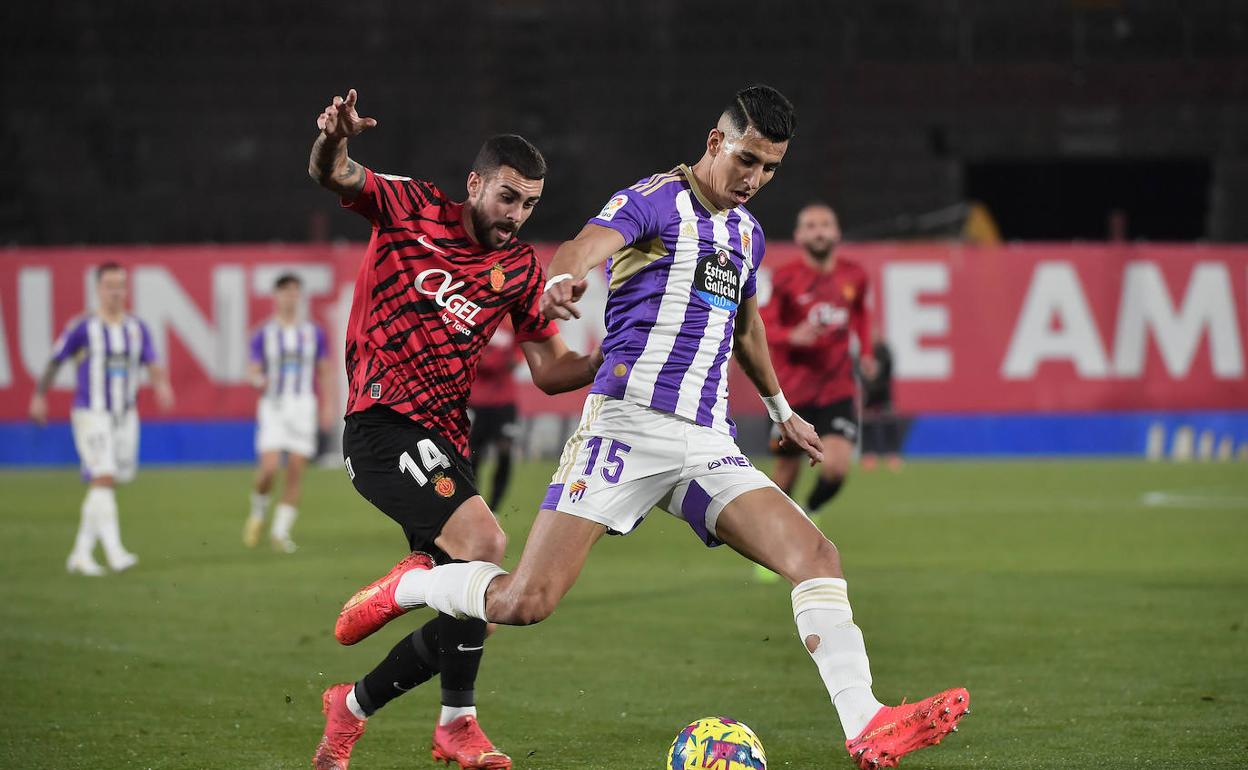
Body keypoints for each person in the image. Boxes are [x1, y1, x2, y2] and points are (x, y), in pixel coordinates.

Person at [335, 85, 969, 770]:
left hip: (706, 442)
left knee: (816, 558)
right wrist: (562, 282)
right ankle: (407, 587)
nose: (755, 179)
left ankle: (867, 723)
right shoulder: (654, 199)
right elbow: (583, 246)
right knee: (525, 601)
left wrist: (782, 410)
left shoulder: (748, 234)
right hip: (626, 429)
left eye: (771, 168)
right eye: (748, 159)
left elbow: (747, 327)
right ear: (716, 141)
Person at [306, 89, 600, 770]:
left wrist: (611, 355)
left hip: (445, 442)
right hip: (380, 423)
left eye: (529, 204)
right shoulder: (409, 207)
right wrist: (332, 139)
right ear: (475, 183)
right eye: (506, 197)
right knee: (485, 541)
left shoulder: (519, 269)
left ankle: (357, 709)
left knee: (474, 603)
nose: (516, 215)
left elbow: (551, 372)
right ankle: (412, 616)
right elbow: (333, 173)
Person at [28, 262, 174, 576]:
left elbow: (152, 361)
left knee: (108, 481)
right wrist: (40, 395)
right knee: (104, 475)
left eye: (120, 285)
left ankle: (80, 553)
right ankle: (115, 552)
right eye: (110, 285)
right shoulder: (83, 327)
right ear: (98, 289)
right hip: (91, 412)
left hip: (126, 414)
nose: (116, 292)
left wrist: (162, 385)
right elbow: (56, 361)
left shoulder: (136, 328)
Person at [763, 203, 874, 512]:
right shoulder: (785, 279)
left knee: (836, 467)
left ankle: (810, 513)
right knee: (785, 474)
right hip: (791, 393)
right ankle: (772, 537)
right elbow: (762, 325)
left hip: (837, 390)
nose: (819, 231)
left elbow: (861, 314)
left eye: (825, 224)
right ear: (799, 236)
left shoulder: (854, 275)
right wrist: (791, 336)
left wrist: (865, 351)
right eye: (811, 226)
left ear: (836, 232)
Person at [243, 272, 335, 553]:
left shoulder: (313, 332)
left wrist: (328, 405)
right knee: (269, 469)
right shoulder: (264, 333)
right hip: (274, 405)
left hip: (302, 405)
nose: (290, 297)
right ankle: (258, 512)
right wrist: (260, 380)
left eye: (295, 291)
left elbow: (325, 372)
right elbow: (253, 369)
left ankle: (280, 533)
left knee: (296, 469)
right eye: (285, 291)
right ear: (276, 296)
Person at [468, 324, 521, 510]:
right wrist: (498, 358)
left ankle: (495, 509)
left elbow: (515, 360)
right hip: (476, 402)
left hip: (503, 403)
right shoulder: (477, 319)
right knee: (473, 456)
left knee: (505, 453)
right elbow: (470, 358)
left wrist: (490, 359)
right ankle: (474, 507)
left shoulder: (512, 322)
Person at [860, 336, 903, 472]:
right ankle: (869, 455)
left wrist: (874, 378)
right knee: (867, 425)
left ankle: (893, 455)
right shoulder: (864, 352)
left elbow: (887, 370)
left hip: (883, 394)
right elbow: (858, 370)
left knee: (889, 424)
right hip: (868, 394)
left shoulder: (884, 351)